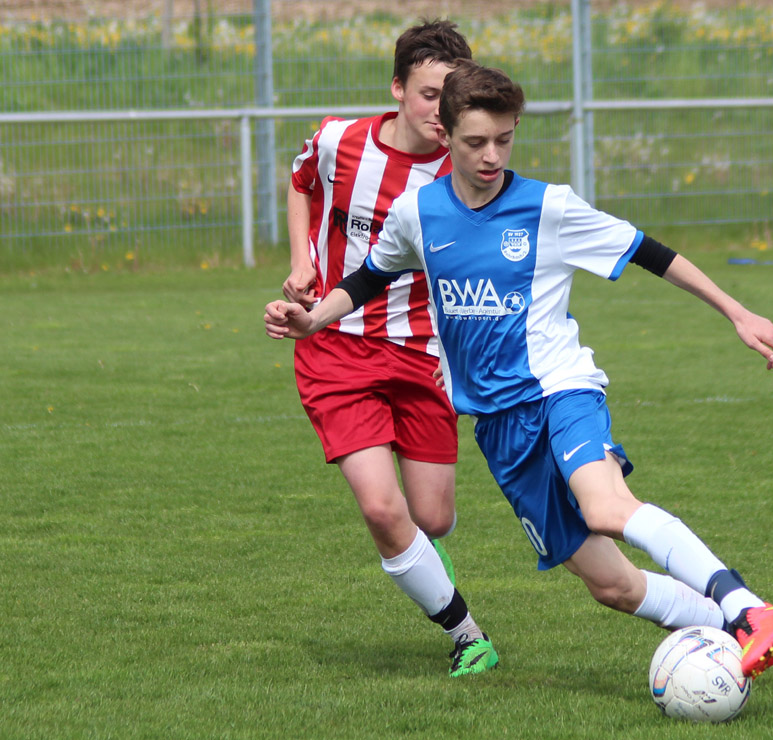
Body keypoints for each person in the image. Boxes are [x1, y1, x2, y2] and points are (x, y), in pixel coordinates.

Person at [267, 63, 773, 677]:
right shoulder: (419, 212)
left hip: (559, 392)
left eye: (504, 139)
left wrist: (736, 311)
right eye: (475, 142)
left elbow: (647, 251)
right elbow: (367, 277)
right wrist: (314, 320)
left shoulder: (549, 207)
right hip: (497, 427)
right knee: (613, 586)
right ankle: (727, 635)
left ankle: (750, 609)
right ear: (446, 134)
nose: (491, 156)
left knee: (604, 507)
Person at [280, 22, 497, 678]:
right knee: (382, 507)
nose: (444, 111)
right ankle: (468, 634)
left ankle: (426, 562)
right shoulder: (338, 139)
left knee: (430, 516)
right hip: (336, 346)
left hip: (424, 353)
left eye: (454, 98)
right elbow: (300, 183)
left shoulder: (466, 169)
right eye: (432, 95)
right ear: (398, 89)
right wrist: (303, 261)